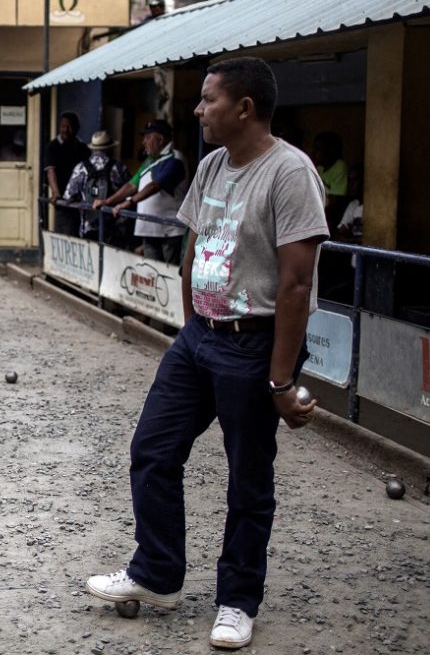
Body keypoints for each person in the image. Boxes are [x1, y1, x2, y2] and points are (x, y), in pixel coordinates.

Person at [85, 57, 327, 650]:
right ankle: (157, 573)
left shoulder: (290, 173)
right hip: (200, 338)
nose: (197, 110)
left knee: (248, 479)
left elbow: (297, 284)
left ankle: (237, 601)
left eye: (208, 99)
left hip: (255, 343)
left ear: (244, 108)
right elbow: (194, 245)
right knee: (152, 449)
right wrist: (192, 327)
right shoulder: (214, 164)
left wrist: (279, 381)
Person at [106, 120, 189, 264]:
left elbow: (154, 186)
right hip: (149, 229)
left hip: (170, 231)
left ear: (161, 139)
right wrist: (107, 201)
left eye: (148, 137)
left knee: (169, 272)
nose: (144, 142)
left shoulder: (175, 159)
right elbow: (131, 185)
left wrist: (129, 202)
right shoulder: (150, 161)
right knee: (151, 272)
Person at [63, 130, 128, 241]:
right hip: (113, 229)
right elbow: (130, 191)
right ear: (110, 148)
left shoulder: (80, 167)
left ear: (92, 148)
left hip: (87, 228)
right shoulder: (119, 168)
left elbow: (68, 196)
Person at [44, 110, 89, 237]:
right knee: (66, 233)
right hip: (63, 201)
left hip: (81, 202)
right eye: (63, 126)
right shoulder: (53, 147)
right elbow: (51, 171)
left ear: (77, 128)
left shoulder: (82, 148)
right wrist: (56, 193)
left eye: (69, 126)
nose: (66, 130)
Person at [312, 130, 348, 230]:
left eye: (318, 149)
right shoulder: (319, 169)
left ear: (330, 151)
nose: (314, 152)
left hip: (331, 217)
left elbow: (335, 203)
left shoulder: (340, 167)